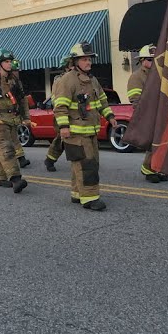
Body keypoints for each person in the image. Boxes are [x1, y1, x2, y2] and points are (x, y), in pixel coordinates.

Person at [55, 41, 116, 211]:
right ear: (75, 61)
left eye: (89, 59)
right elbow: (60, 106)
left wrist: (110, 116)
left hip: (90, 131)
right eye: (84, 59)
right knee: (86, 164)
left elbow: (102, 100)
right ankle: (90, 198)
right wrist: (64, 127)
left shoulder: (92, 80)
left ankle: (77, 193)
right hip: (75, 132)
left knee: (83, 163)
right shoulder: (67, 80)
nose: (88, 62)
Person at [0, 49, 29, 193]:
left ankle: (0, 178)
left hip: (13, 120)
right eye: (6, 62)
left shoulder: (14, 81)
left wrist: (26, 117)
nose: (9, 64)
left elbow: (22, 100)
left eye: (10, 61)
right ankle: (15, 178)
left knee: (3, 150)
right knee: (6, 148)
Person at [127, 45, 168, 183]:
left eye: (155, 59)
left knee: (162, 144)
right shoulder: (136, 77)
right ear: (142, 61)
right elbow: (135, 100)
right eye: (150, 60)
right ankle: (148, 169)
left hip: (162, 115)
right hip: (148, 116)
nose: (153, 62)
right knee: (153, 143)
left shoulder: (160, 75)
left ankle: (158, 168)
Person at [43, 54, 73, 172]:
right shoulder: (60, 80)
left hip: (76, 115)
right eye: (71, 65)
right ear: (66, 67)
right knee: (62, 139)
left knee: (69, 139)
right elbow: (57, 99)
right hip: (63, 114)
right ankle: (50, 159)